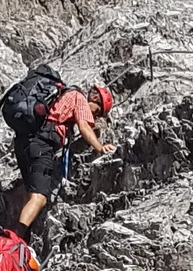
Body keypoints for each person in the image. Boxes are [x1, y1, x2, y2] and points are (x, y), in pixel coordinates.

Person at [9, 78, 115, 237]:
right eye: (97, 111)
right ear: (94, 99)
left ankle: (20, 238)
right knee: (40, 198)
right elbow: (84, 126)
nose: (95, 116)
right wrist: (100, 147)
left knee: (32, 193)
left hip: (24, 142)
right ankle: (13, 239)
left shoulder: (63, 95)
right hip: (42, 144)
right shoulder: (79, 98)